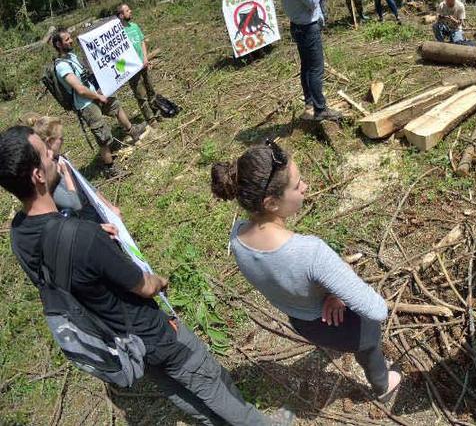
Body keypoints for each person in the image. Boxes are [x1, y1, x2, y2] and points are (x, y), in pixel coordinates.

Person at [0, 126, 294, 426]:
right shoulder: (83, 237)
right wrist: (161, 280)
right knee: (210, 382)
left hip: (120, 341)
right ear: (38, 176)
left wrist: (91, 242)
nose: (54, 155)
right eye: (47, 154)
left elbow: (60, 261)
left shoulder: (19, 233)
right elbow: (145, 286)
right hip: (152, 332)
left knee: (179, 390)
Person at [213, 141, 401, 400]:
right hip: (339, 324)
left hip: (301, 321)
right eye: (297, 184)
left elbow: (284, 276)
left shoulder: (237, 239)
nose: (305, 187)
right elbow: (376, 309)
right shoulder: (310, 252)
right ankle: (383, 385)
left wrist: (330, 293)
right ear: (271, 203)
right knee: (368, 344)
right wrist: (339, 288)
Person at [50, 28, 148, 177]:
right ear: (58, 44)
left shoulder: (72, 56)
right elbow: (79, 89)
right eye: (67, 39)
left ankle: (132, 131)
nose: (71, 40)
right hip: (86, 104)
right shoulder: (61, 66)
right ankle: (110, 168)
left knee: (115, 105)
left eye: (70, 38)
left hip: (95, 95)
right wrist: (97, 96)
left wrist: (98, 89)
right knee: (102, 135)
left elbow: (85, 76)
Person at [278, 0, 342, 122]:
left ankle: (309, 102)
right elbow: (313, 2)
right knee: (316, 69)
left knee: (306, 66)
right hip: (307, 28)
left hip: (297, 25)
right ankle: (320, 109)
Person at [25, 114, 121, 219]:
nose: (63, 141)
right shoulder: (47, 173)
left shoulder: (61, 159)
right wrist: (67, 174)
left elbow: (86, 185)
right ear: (49, 142)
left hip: (93, 211)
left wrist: (110, 207)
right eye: (60, 138)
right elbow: (73, 205)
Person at [117, 3, 161, 125]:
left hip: (144, 63)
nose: (130, 11)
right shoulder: (118, 33)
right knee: (140, 94)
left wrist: (145, 58)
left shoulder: (135, 26)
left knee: (150, 89)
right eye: (127, 10)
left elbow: (142, 42)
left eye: (129, 9)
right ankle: (150, 119)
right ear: (121, 15)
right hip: (131, 69)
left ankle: (157, 112)